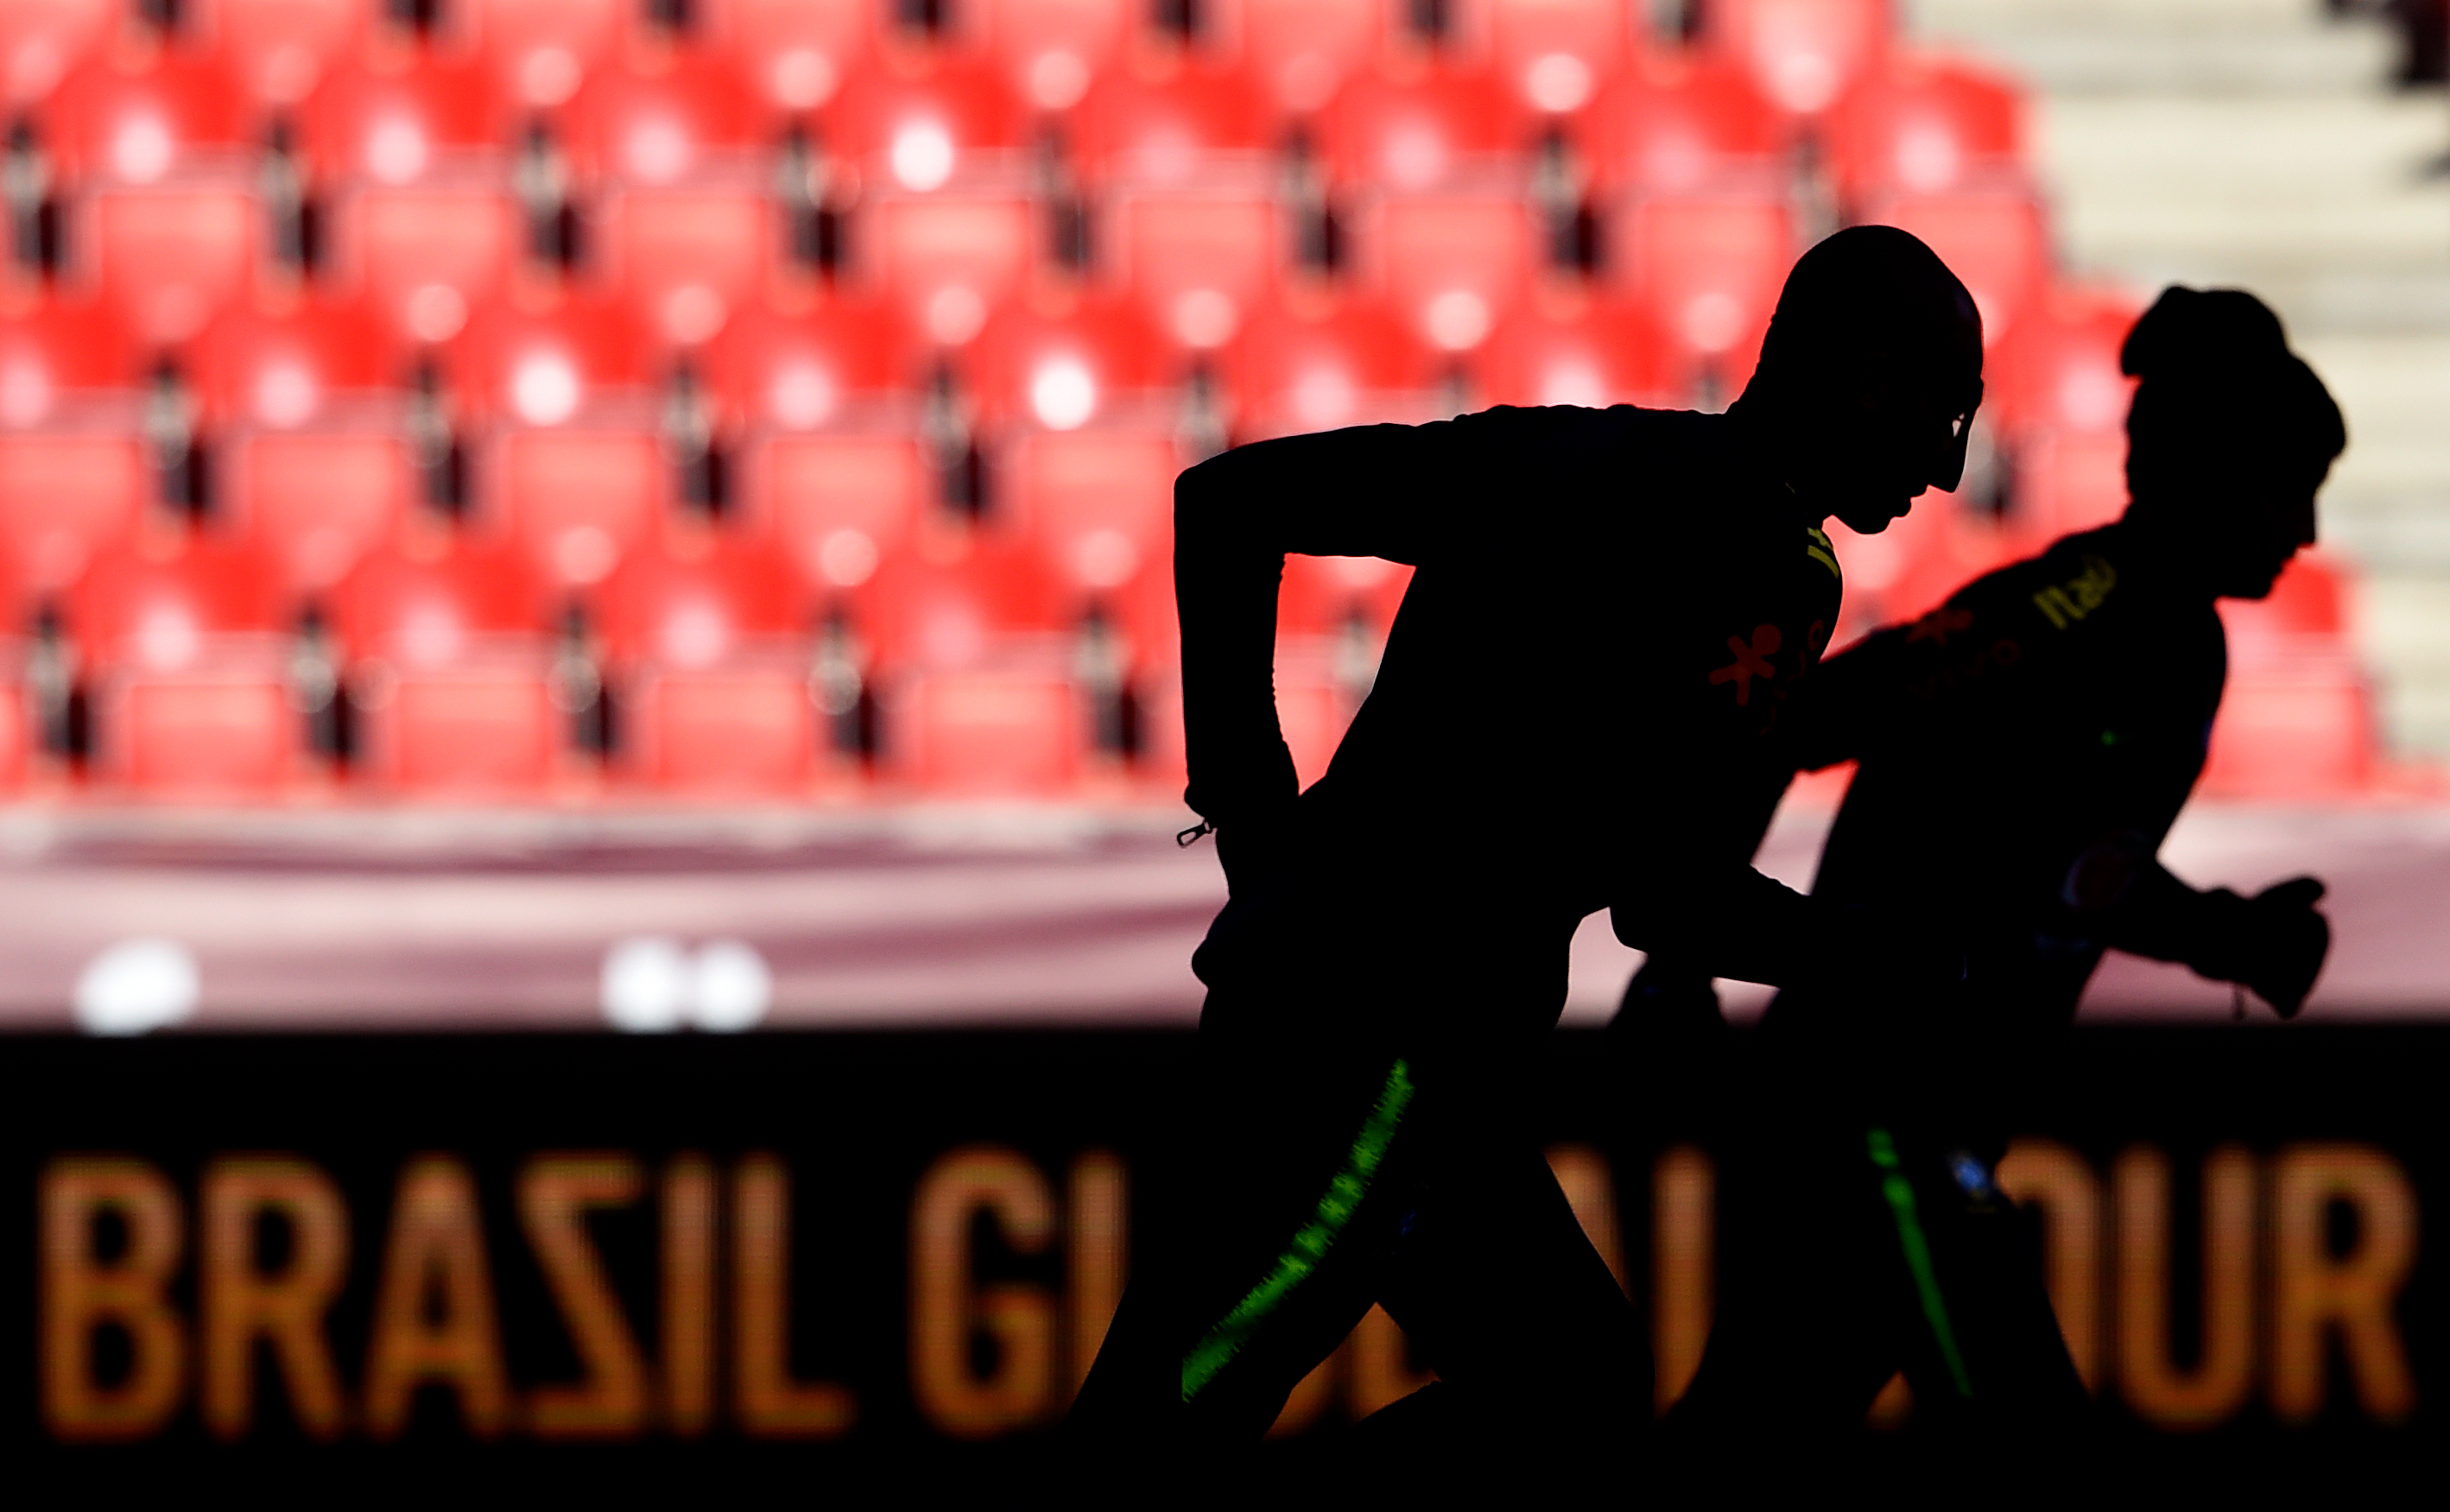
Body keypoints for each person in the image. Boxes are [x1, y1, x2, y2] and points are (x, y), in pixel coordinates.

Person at [1064, 225, 1985, 1488]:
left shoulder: (1571, 450)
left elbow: (1226, 501)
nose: (1942, 472)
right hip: (1394, 1039)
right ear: (1872, 382)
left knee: (1570, 1378)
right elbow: (1669, 896)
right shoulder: (1778, 569)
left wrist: (1254, 815)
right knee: (1172, 1419)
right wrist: (1871, 958)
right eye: (1944, 418)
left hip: (1346, 1007)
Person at [1643, 285, 2345, 1468]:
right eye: (2292, 487)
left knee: (1749, 1430)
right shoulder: (2078, 609)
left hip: (1899, 1105)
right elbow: (1800, 717)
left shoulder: (2167, 630)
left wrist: (2222, 934)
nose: (2306, 531)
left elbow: (2070, 859)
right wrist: (1684, 950)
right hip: (1879, 1105)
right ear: (2218, 474)